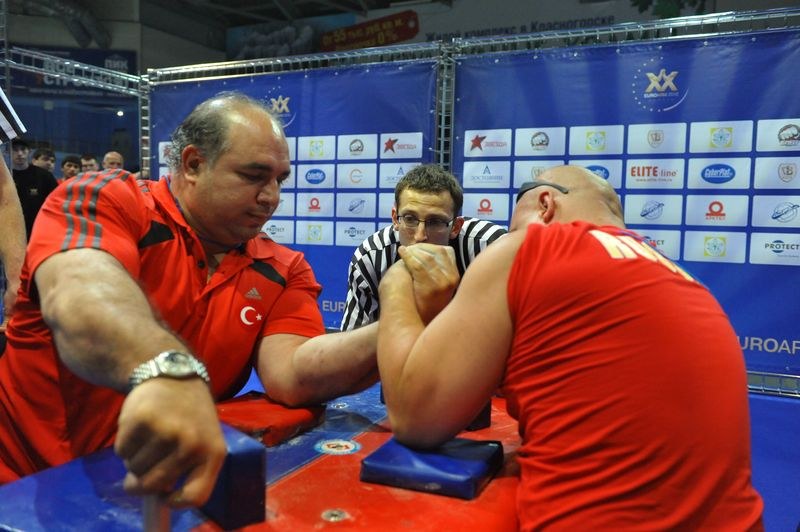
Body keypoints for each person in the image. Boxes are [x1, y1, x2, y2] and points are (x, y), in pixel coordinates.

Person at [0, 92, 383, 507]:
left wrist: (394, 326)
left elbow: (292, 373)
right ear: (193, 164)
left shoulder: (284, 268)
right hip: (24, 487)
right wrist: (167, 371)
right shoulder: (107, 197)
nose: (271, 196)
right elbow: (82, 296)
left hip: (157, 495)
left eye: (279, 180)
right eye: (254, 176)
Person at [377, 165, 764, 530]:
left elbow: (415, 418)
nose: (511, 233)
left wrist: (395, 283)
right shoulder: (685, 280)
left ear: (544, 204)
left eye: (514, 222)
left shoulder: (533, 247)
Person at [340, 164, 506, 330]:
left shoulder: (491, 248)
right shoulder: (371, 257)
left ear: (455, 227)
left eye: (435, 222)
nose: (420, 236)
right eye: (410, 219)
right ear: (395, 219)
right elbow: (353, 340)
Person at [10, 138, 58, 239]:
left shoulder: (44, 176)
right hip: (9, 230)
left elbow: (56, 202)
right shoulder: (4, 177)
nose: (20, 153)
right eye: (15, 150)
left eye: (23, 149)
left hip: (38, 231)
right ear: (8, 151)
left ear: (29, 151)